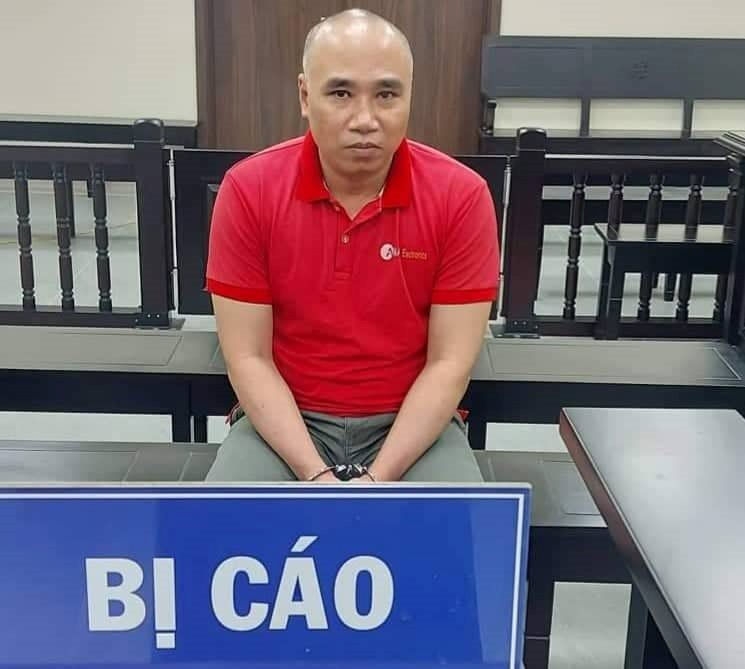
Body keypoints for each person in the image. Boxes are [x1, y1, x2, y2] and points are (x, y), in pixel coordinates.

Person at [204, 8, 499, 484]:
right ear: (305, 96)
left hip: (411, 425)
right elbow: (248, 357)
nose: (365, 119)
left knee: (455, 523)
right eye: (341, 93)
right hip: (285, 422)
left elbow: (449, 364)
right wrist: (314, 475)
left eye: (386, 95)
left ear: (409, 96)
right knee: (227, 519)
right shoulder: (248, 190)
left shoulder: (461, 196)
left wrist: (376, 481)